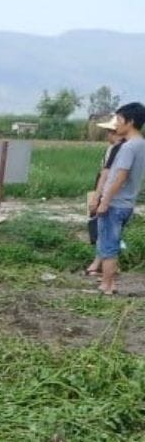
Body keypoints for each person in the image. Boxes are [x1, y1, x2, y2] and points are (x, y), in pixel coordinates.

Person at [93, 101, 145, 296]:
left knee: (108, 245)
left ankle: (107, 285)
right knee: (112, 242)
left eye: (119, 120)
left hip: (115, 203)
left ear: (130, 122)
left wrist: (104, 201)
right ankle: (109, 282)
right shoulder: (141, 144)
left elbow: (120, 176)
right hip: (127, 203)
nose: (116, 124)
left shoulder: (129, 147)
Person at [86, 116, 126, 276]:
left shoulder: (119, 149)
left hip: (108, 192)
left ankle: (103, 266)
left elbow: (110, 175)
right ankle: (101, 263)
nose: (107, 135)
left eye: (109, 132)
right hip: (103, 189)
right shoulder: (114, 148)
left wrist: (99, 197)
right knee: (100, 227)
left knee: (105, 229)